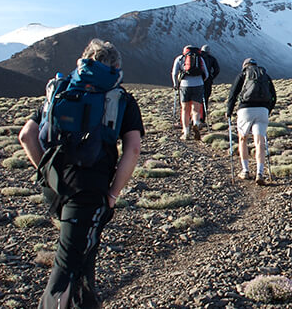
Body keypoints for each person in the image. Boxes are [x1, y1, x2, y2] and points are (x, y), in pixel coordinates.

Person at [18, 38, 144, 309]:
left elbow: (27, 135)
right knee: (66, 270)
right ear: (117, 66)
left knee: (82, 255)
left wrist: (46, 174)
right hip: (90, 188)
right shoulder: (121, 98)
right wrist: (112, 193)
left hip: (55, 186)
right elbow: (132, 150)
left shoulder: (61, 89)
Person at [226, 58, 277, 185]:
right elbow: (273, 96)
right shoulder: (264, 75)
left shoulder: (243, 75)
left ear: (244, 66)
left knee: (243, 139)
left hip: (245, 110)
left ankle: (245, 170)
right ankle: (260, 172)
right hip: (262, 111)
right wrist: (268, 109)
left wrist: (229, 111)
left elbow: (233, 94)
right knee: (259, 141)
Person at [171, 45, 209, 141]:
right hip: (198, 85)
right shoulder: (200, 58)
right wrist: (201, 81)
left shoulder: (180, 59)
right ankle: (196, 124)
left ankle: (186, 131)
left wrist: (176, 84)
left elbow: (174, 73)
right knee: (196, 109)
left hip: (184, 85)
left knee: (185, 109)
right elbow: (207, 74)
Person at [199, 44, 221, 120]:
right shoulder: (211, 58)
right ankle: (202, 118)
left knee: (195, 99)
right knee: (205, 99)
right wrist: (211, 77)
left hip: (197, 80)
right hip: (207, 81)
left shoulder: (197, 57)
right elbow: (217, 70)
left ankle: (193, 118)